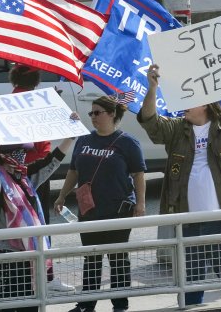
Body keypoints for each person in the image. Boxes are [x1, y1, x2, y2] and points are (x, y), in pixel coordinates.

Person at [137, 43, 221, 306]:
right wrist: (152, 87)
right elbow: (151, 122)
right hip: (188, 220)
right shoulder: (178, 129)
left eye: (188, 99)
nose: (182, 105)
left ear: (205, 102)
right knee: (191, 289)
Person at [54, 95, 146, 312]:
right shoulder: (85, 140)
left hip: (118, 210)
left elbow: (138, 174)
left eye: (97, 113)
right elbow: (73, 171)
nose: (93, 117)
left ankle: (120, 304)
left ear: (112, 114)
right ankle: (87, 304)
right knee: (92, 258)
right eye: (91, 113)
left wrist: (140, 203)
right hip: (89, 210)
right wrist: (62, 195)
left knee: (118, 259)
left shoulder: (128, 142)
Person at [0, 118, 78, 312]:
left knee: (32, 303)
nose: (22, 157)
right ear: (4, 155)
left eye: (24, 152)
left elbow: (50, 162)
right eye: (17, 152)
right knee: (8, 304)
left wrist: (70, 136)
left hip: (30, 253)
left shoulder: (25, 178)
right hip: (7, 253)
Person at [8, 63, 74, 293]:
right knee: (40, 224)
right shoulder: (29, 101)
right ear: (36, 79)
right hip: (35, 170)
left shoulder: (16, 99)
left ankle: (38, 276)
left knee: (25, 226)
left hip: (23, 170)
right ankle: (45, 277)